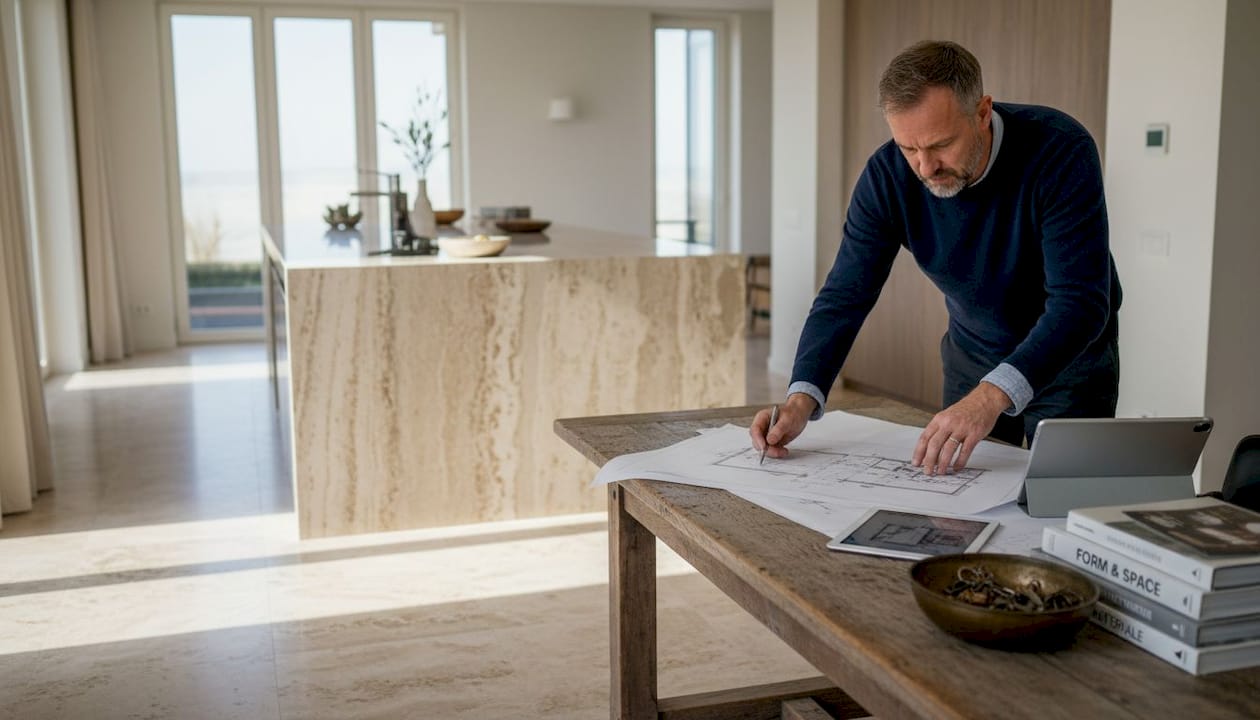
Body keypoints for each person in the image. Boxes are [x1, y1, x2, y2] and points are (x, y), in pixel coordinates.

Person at [750, 40, 1122, 476]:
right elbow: (845, 294)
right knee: (963, 497)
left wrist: (992, 396)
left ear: (982, 112)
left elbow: (1080, 302)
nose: (925, 167)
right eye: (909, 148)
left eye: (941, 144)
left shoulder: (1059, 149)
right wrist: (801, 399)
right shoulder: (887, 176)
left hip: (1069, 362)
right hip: (973, 354)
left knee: (1061, 496)